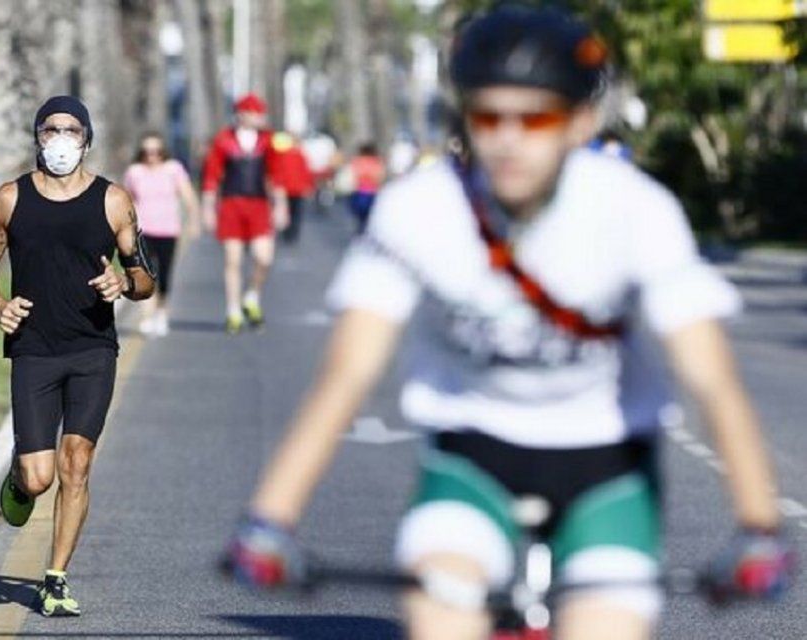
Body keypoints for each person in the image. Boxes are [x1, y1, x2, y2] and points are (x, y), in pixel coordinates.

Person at [225, 6, 793, 640]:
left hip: (605, 463)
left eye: (536, 118)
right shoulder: (418, 210)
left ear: (579, 122)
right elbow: (346, 375)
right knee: (440, 615)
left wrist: (759, 527)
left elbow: (713, 379)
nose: (509, 139)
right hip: (473, 455)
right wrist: (270, 518)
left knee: (605, 627)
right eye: (489, 117)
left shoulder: (636, 211)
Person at [0, 95, 155, 617]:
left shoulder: (113, 201)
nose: (61, 139)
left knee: (77, 463)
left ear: (87, 140)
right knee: (38, 477)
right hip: (34, 349)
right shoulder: (11, 199)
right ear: (36, 137)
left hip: (93, 349)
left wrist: (124, 282)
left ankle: (54, 578)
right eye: (51, 129)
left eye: (72, 130)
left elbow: (145, 278)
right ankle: (18, 476)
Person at [201, 93, 288, 334]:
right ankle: (233, 311)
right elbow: (212, 176)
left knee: (264, 258)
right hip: (231, 204)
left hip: (259, 205)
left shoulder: (268, 140)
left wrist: (280, 205)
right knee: (233, 260)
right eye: (254, 112)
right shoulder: (223, 141)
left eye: (260, 113)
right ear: (241, 114)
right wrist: (208, 208)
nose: (259, 117)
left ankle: (252, 296)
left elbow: (276, 174)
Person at [123, 131, 202, 337]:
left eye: (157, 151)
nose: (152, 156)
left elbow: (188, 196)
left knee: (164, 275)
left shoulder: (173, 169)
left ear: (163, 152)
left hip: (168, 230)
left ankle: (162, 313)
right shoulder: (135, 172)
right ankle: (147, 316)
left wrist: (194, 221)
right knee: (145, 273)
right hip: (143, 230)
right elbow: (125, 201)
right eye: (147, 152)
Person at [270, 131, 315, 246]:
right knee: (296, 212)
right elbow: (306, 172)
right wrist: (309, 186)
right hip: (295, 189)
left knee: (289, 211)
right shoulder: (298, 155)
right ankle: (292, 232)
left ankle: (288, 232)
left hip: (288, 188)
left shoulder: (284, 155)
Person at [346, 142, 386, 233]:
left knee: (360, 216)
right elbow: (380, 177)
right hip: (372, 192)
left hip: (359, 192)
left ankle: (361, 229)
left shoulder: (357, 161)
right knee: (370, 215)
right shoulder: (377, 162)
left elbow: (353, 175)